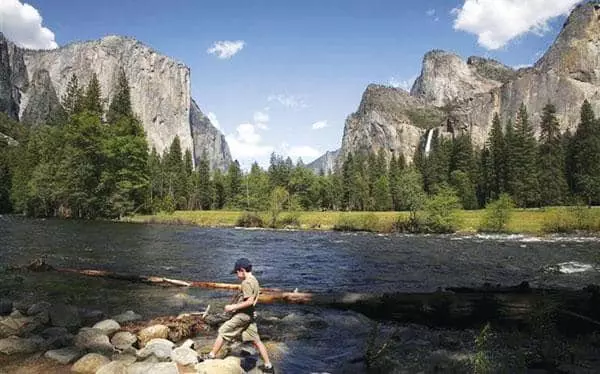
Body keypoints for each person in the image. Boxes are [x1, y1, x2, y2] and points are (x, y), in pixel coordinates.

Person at [205, 257, 274, 373]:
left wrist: (232, 307)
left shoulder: (246, 282)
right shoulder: (254, 280)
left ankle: (210, 356)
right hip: (250, 315)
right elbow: (254, 299)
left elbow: (249, 301)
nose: (236, 275)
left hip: (243, 315)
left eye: (237, 272)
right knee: (256, 340)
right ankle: (269, 366)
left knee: (223, 331)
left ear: (242, 270)